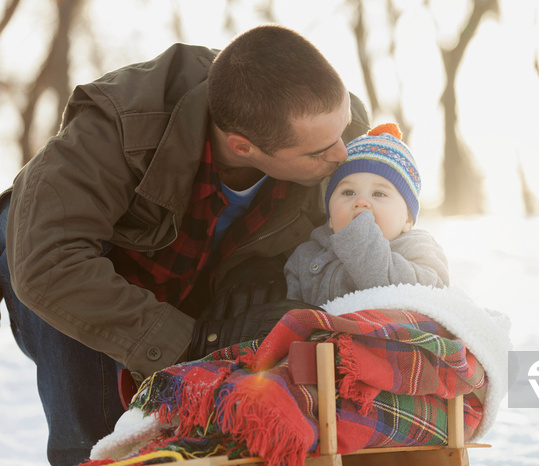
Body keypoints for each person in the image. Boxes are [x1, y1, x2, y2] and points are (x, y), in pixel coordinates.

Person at [0, 24, 369, 465]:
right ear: (243, 146)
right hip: (72, 274)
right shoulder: (119, 126)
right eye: (319, 152)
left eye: (343, 130)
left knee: (224, 425)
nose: (343, 155)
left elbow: (384, 230)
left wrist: (268, 273)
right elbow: (48, 264)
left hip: (199, 271)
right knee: (100, 435)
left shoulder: (335, 128)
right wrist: (190, 343)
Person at [284, 123, 449, 306]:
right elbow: (291, 316)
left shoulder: (420, 250)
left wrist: (361, 241)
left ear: (408, 219)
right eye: (348, 192)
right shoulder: (306, 254)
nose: (361, 201)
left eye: (379, 194)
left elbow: (422, 298)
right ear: (330, 217)